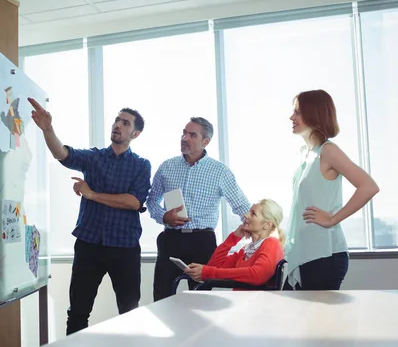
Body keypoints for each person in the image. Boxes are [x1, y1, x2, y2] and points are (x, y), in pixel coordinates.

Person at [28, 97, 151, 334]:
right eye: (117, 120)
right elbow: (62, 154)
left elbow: (134, 201)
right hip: (89, 244)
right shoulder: (94, 157)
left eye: (125, 123)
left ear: (135, 134)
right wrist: (48, 129)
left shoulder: (141, 165)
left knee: (129, 311)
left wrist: (92, 194)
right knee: (78, 312)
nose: (118, 125)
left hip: (124, 247)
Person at [147, 116, 251, 301]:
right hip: (170, 239)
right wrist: (164, 217)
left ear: (206, 141)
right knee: (161, 297)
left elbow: (241, 205)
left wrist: (261, 230)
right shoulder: (167, 167)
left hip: (202, 242)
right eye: (184, 133)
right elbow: (151, 200)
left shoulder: (220, 171)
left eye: (192, 135)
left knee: (201, 300)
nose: (185, 138)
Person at [284, 89, 379, 290]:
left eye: (298, 112)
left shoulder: (328, 151)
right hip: (304, 254)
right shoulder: (304, 155)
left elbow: (368, 186)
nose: (292, 117)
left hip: (324, 255)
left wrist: (333, 218)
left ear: (314, 114)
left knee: (322, 322)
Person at [185, 199, 284, 285]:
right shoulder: (246, 249)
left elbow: (258, 275)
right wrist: (234, 237)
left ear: (267, 225)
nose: (246, 215)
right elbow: (213, 265)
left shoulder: (272, 243)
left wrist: (208, 271)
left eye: (253, 214)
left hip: (254, 303)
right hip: (240, 301)